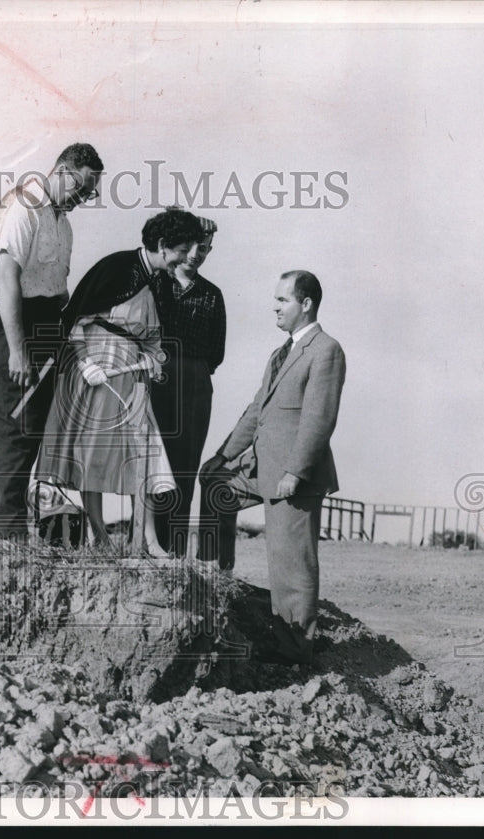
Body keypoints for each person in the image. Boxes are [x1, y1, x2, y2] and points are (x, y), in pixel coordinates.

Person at [36, 208, 208, 555]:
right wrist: (85, 364)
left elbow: (155, 337)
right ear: (162, 245)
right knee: (93, 453)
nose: (189, 258)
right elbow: (75, 322)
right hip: (96, 372)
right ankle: (99, 537)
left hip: (134, 376)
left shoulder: (162, 282)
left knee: (142, 453)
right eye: (183, 249)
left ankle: (144, 541)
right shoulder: (115, 267)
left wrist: (156, 360)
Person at [198, 270, 345, 664]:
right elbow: (255, 411)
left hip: (292, 478)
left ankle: (295, 651)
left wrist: (295, 473)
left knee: (290, 565)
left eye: (283, 300)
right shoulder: (280, 353)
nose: (275, 307)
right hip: (259, 468)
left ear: (306, 304)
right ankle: (216, 581)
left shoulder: (325, 350)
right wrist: (223, 456)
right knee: (214, 487)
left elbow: (319, 419)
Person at [0, 143, 104, 543]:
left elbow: (56, 288)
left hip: (47, 326)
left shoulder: (62, 223)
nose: (83, 199)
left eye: (90, 194)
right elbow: (7, 277)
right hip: (14, 326)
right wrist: (17, 349)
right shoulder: (24, 207)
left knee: (40, 435)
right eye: (81, 189)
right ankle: (8, 545)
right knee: (15, 434)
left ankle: (43, 541)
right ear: (63, 170)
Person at [147, 215, 226, 556]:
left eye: (204, 249)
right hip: (155, 380)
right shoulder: (155, 284)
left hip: (194, 385)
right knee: (154, 462)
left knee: (184, 468)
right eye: (190, 247)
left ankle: (176, 551)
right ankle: (150, 545)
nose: (196, 255)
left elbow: (216, 352)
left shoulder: (212, 294)